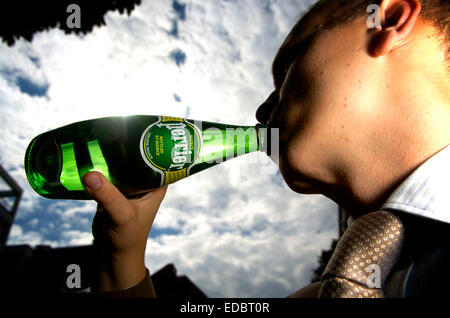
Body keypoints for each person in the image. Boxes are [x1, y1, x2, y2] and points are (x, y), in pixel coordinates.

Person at [82, 0, 449, 298]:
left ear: (389, 19)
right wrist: (122, 258)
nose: (260, 112)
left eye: (289, 64)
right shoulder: (342, 287)